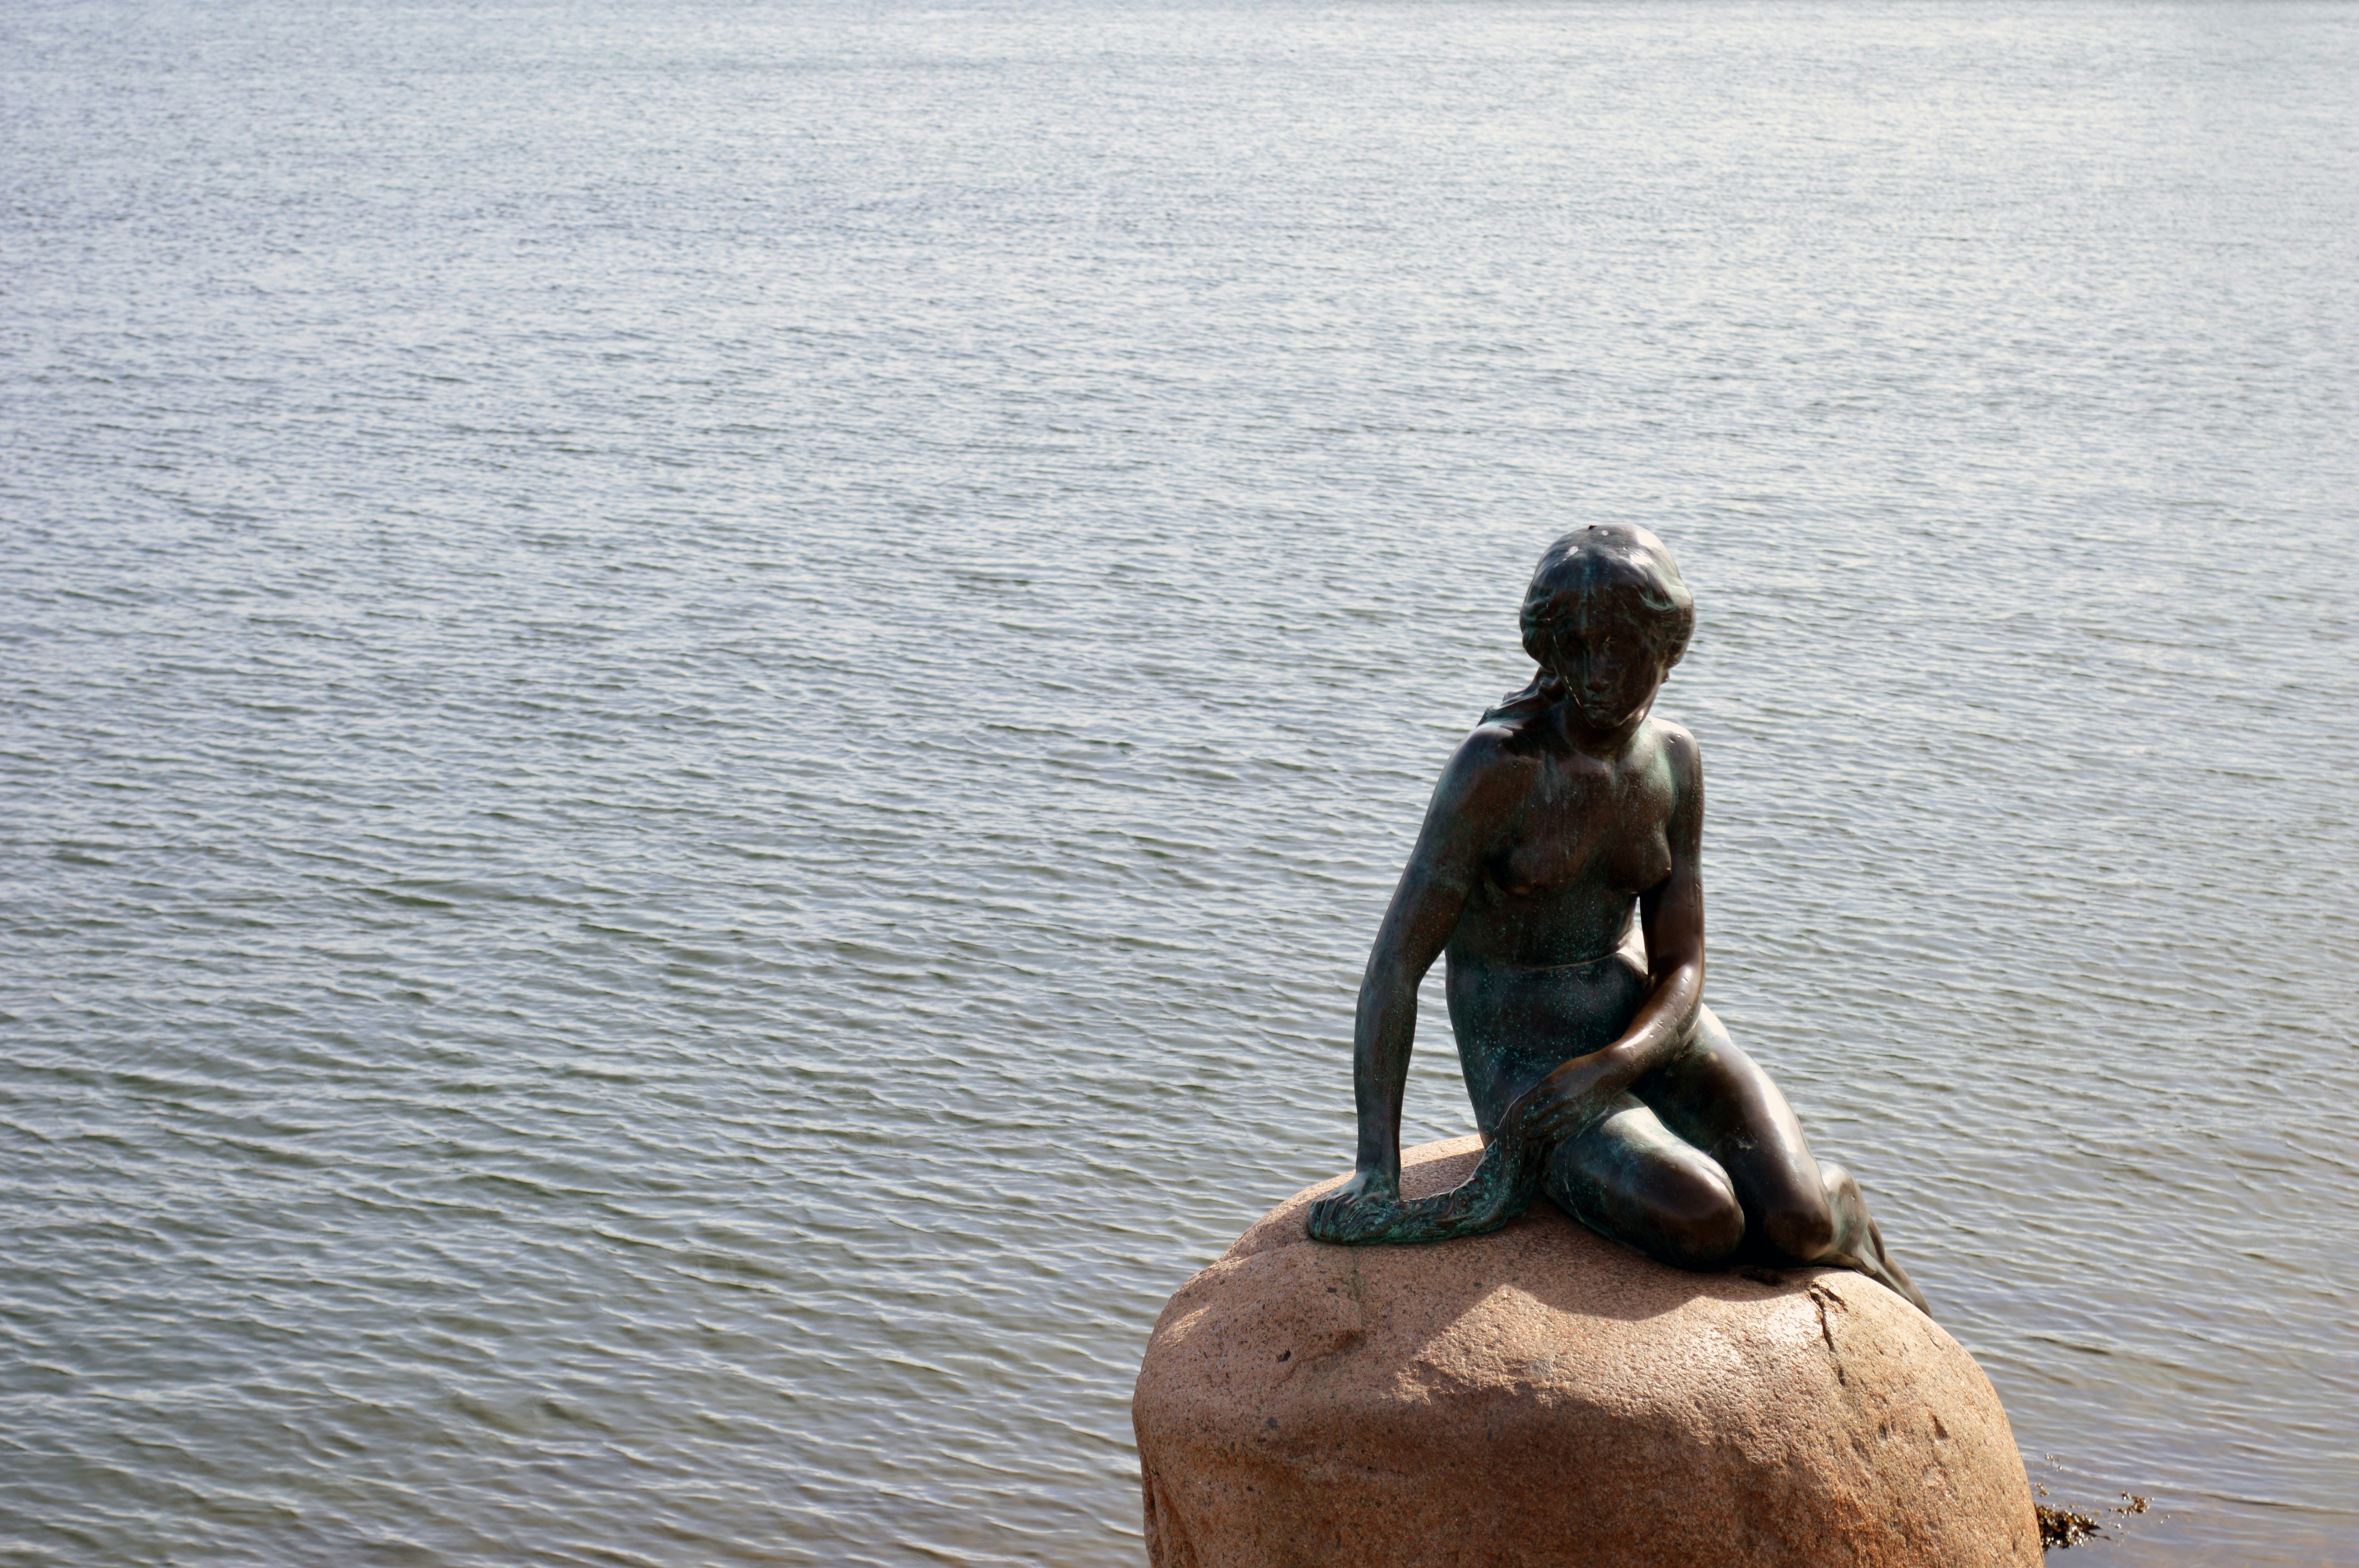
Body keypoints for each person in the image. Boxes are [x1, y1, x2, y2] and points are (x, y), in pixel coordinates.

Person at [1305, 525, 1929, 1315]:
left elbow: (1682, 968)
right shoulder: (1497, 768)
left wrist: (1612, 1064)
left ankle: (1838, 1207)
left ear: (1665, 644)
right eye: (1576, 646)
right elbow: (1394, 966)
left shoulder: (1673, 759)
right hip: (1527, 1059)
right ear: (1550, 650)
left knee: (1800, 1221)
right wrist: (1375, 1165)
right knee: (1705, 1218)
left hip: (1647, 1029)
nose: (1598, 672)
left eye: (1622, 645)